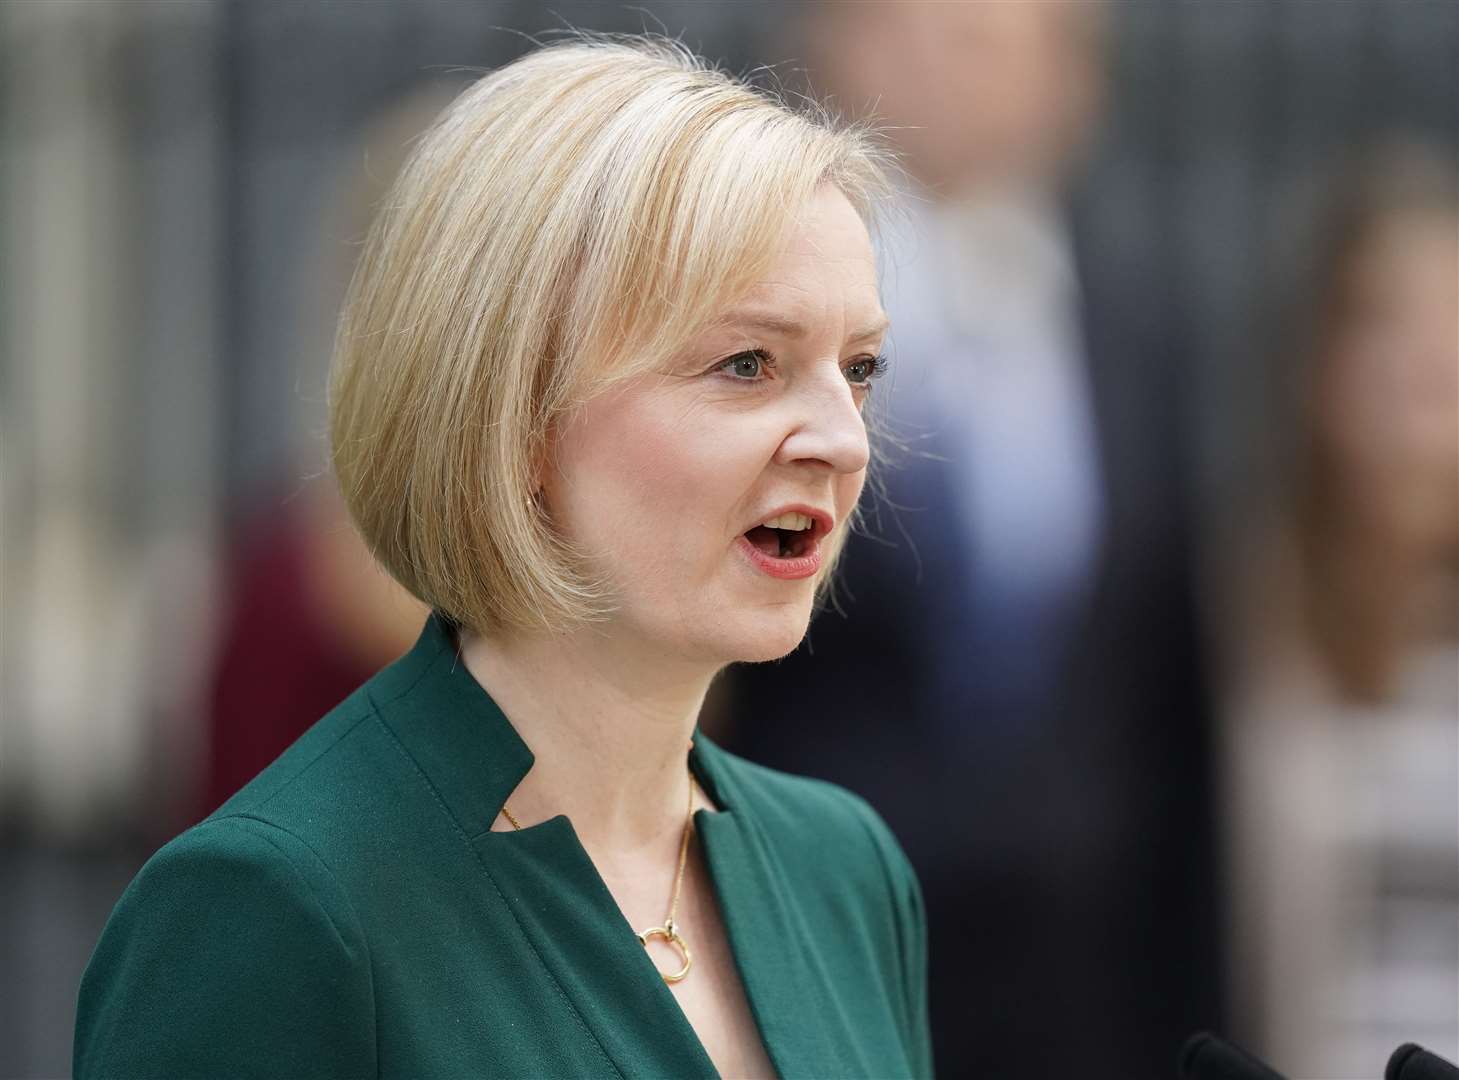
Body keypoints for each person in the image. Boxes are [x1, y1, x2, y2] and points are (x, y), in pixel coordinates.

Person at [73, 37, 931, 1079]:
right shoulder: (277, 904)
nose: (842, 440)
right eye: (746, 364)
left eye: (859, 368)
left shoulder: (843, 870)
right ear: (515, 418)